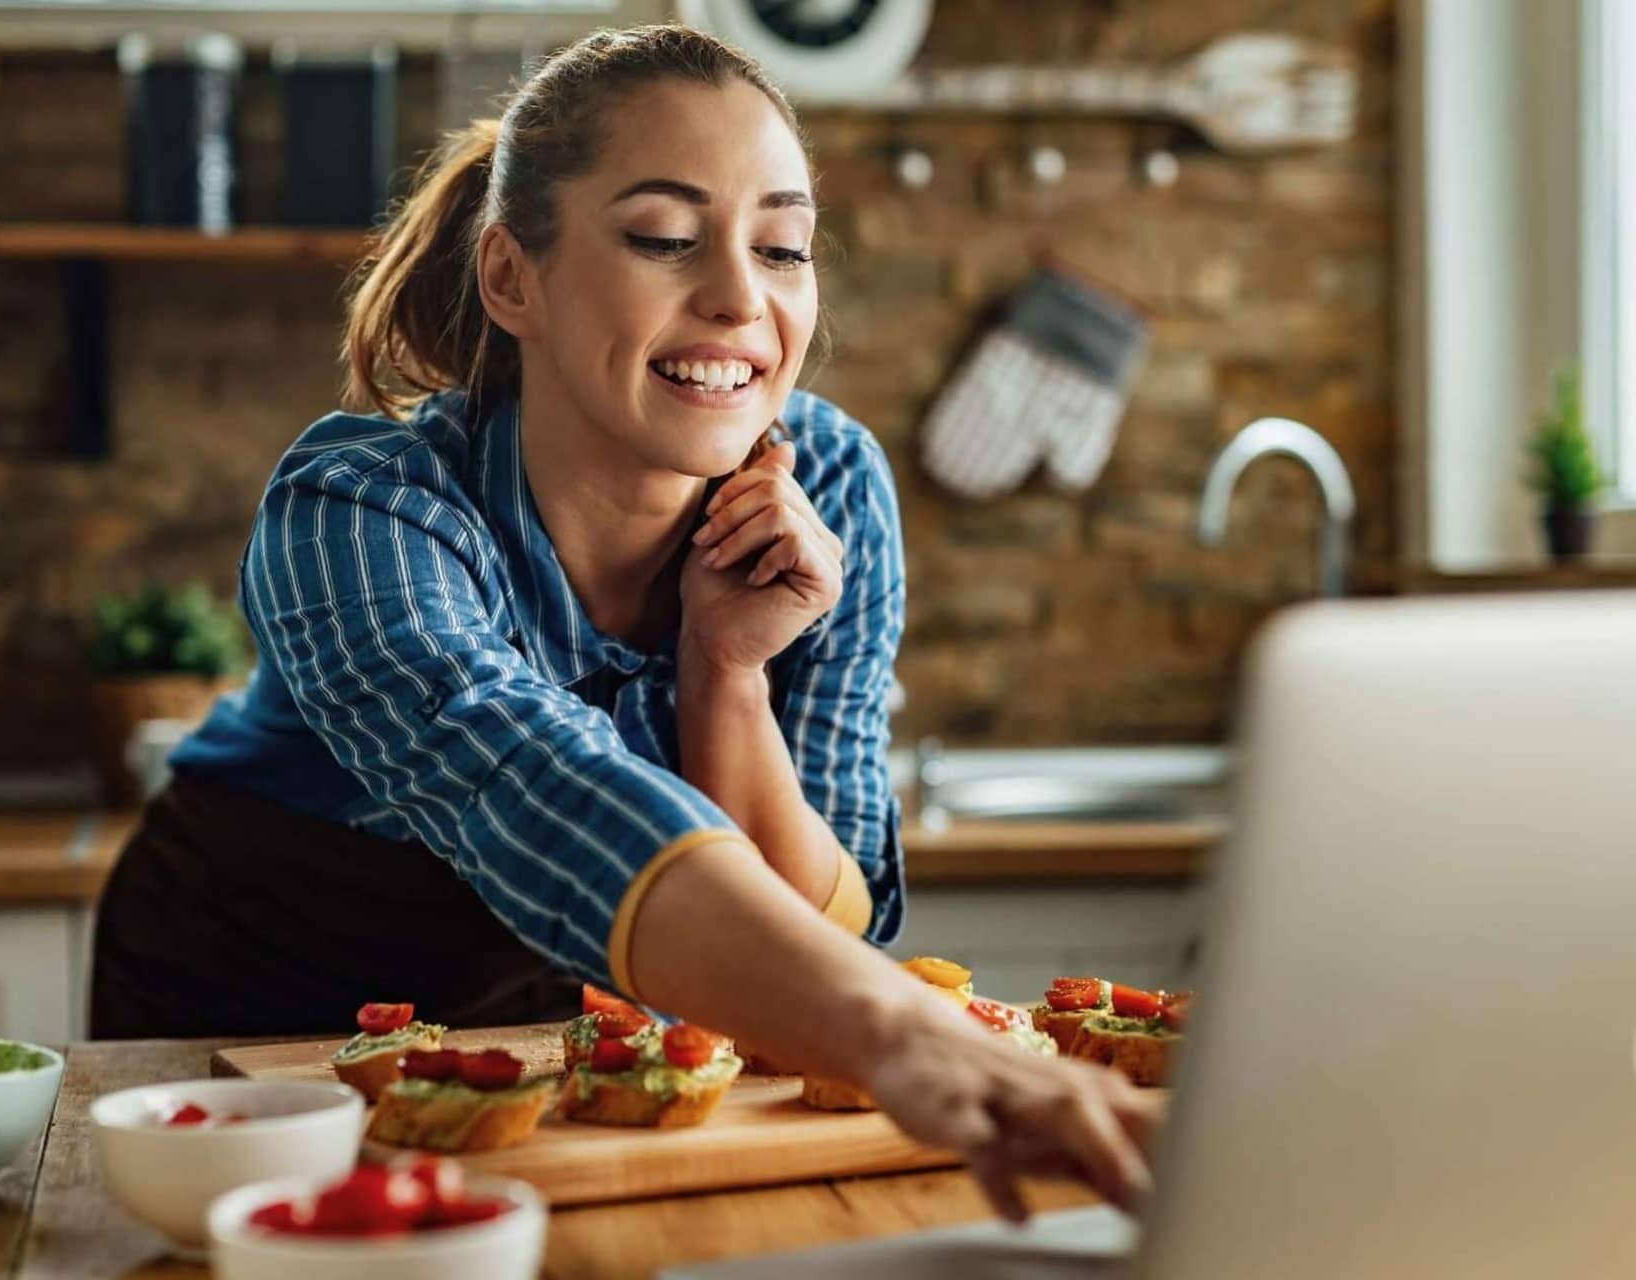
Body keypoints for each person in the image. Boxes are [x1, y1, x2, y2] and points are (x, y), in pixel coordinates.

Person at [90, 23, 1159, 1219]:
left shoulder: (834, 485)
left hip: (577, 999)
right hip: (247, 991)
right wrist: (897, 1028)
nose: (738, 300)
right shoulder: (360, 509)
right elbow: (529, 787)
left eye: (784, 247)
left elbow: (836, 905)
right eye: (662, 237)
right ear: (512, 278)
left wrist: (726, 671)